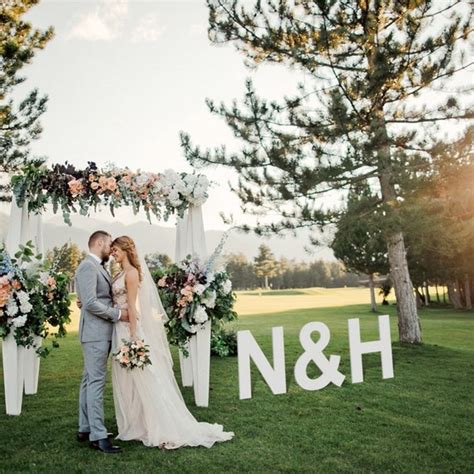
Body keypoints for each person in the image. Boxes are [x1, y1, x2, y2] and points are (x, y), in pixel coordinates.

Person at [110, 235, 234, 448]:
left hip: (129, 329)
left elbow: (132, 305)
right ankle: (137, 422)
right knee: (128, 379)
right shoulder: (119, 272)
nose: (113, 254)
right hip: (119, 327)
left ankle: (160, 424)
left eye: (116, 250)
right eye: (112, 251)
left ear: (126, 250)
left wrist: (133, 336)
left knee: (145, 377)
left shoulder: (131, 274)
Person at [75, 230, 129, 454]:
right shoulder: (88, 266)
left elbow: (90, 299)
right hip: (96, 334)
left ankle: (85, 428)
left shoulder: (97, 267)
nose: (110, 249)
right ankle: (98, 436)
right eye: (108, 245)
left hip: (98, 332)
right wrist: (117, 314)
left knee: (89, 380)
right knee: (96, 382)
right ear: (99, 243)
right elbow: (90, 303)